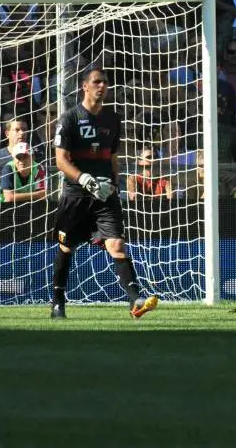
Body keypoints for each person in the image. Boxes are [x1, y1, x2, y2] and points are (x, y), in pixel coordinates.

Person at [50, 66, 158, 319]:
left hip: (105, 195)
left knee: (117, 244)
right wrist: (83, 178)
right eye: (97, 82)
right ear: (84, 86)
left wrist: (115, 184)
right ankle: (57, 303)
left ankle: (136, 301)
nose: (102, 86)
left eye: (105, 82)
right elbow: (61, 160)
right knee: (66, 247)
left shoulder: (113, 120)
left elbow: (113, 156)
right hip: (76, 195)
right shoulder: (69, 119)